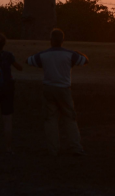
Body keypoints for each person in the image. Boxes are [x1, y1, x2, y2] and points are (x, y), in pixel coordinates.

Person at [26, 28, 88, 156]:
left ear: (51, 40)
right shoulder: (70, 54)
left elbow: (28, 61)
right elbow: (85, 61)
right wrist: (78, 52)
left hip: (48, 89)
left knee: (50, 119)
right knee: (70, 118)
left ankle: (53, 149)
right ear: (62, 40)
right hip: (64, 89)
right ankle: (75, 147)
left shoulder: (44, 55)